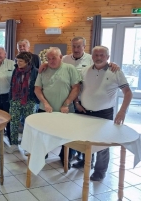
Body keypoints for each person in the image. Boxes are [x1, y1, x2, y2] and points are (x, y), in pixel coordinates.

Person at [73, 46, 132, 181]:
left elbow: (128, 92)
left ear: (107, 57)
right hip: (86, 112)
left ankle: (100, 172)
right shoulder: (84, 71)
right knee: (86, 140)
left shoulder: (115, 71)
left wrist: (122, 111)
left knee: (102, 144)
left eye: (102, 55)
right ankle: (85, 161)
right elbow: (77, 88)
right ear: (92, 57)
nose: (98, 57)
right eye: (96, 55)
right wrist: (76, 103)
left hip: (104, 113)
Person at [34, 47, 81, 168]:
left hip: (65, 110)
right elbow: (37, 89)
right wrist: (45, 103)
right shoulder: (43, 70)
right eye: (48, 59)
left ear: (61, 57)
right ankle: (42, 155)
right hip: (45, 110)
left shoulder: (70, 69)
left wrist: (67, 103)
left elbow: (76, 87)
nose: (51, 61)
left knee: (66, 135)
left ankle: (65, 158)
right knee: (43, 134)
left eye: (53, 58)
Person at [6, 52, 39, 153]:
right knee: (13, 123)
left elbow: (37, 86)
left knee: (29, 124)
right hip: (15, 100)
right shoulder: (15, 70)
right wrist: (11, 99)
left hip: (29, 101)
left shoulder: (35, 72)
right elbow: (12, 85)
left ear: (27, 62)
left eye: (20, 61)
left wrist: (35, 101)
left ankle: (28, 146)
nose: (18, 63)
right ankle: (14, 144)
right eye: (17, 60)